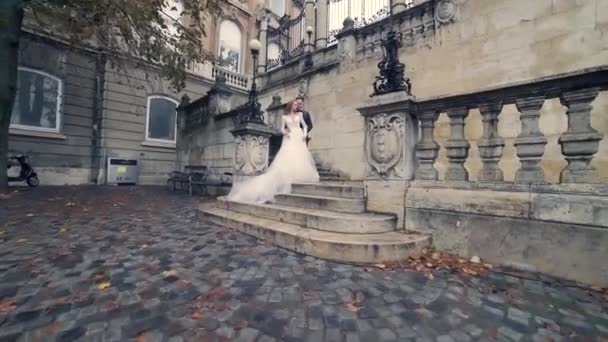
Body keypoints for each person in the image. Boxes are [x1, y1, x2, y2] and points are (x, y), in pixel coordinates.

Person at [225, 99, 319, 204]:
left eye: (297, 104)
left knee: (299, 156)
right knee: (288, 155)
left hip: (299, 136)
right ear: (290, 106)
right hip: (289, 137)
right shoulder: (284, 117)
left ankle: (298, 175)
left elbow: (305, 126)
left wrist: (304, 134)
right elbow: (282, 129)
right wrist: (285, 133)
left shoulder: (300, 115)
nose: (296, 106)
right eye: (295, 104)